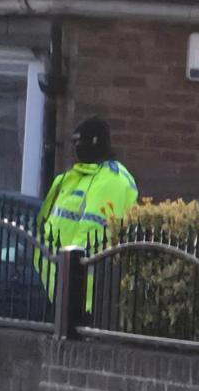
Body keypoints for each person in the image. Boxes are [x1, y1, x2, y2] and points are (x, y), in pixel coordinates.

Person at [37, 116, 139, 311]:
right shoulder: (73, 177)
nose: (76, 148)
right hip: (56, 287)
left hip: (86, 294)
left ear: (94, 142)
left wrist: (71, 276)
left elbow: (91, 231)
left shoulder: (112, 179)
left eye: (80, 142)